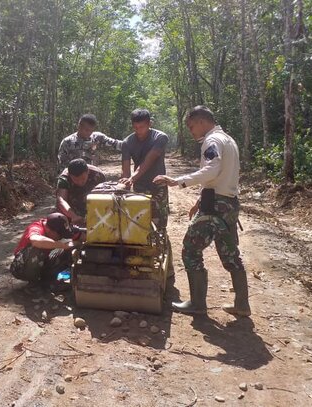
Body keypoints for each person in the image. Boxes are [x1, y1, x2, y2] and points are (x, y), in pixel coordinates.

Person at [154, 106, 251, 317]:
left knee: (190, 249)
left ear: (200, 121)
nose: (191, 132)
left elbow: (212, 170)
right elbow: (222, 174)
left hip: (215, 207)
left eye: (191, 127)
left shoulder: (212, 141)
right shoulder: (228, 139)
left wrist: (177, 181)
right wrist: (200, 198)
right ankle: (242, 304)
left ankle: (197, 304)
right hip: (227, 204)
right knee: (230, 253)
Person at [119, 108, 174, 277]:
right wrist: (125, 183)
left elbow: (149, 160)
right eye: (135, 128)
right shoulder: (127, 142)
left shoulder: (160, 138)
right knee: (139, 224)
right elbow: (126, 167)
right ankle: (140, 263)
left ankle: (168, 268)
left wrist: (132, 178)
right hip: (140, 187)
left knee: (160, 226)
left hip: (158, 186)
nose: (139, 131)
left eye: (142, 127)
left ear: (149, 124)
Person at [10, 213, 77, 286]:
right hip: (21, 267)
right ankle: (33, 284)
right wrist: (63, 245)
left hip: (43, 261)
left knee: (69, 247)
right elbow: (35, 240)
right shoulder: (35, 228)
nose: (61, 237)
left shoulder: (54, 224)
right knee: (36, 249)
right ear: (49, 230)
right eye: (59, 234)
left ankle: (47, 280)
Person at [57, 114, 123, 171]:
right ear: (79, 126)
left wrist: (131, 143)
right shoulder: (68, 142)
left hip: (92, 176)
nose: (89, 133)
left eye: (91, 130)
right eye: (86, 130)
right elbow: (62, 165)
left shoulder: (97, 138)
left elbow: (115, 144)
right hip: (74, 178)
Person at [56, 158, 105, 225]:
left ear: (88, 172)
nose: (80, 182)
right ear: (70, 175)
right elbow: (61, 200)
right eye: (75, 180)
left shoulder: (98, 175)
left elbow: (105, 196)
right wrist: (73, 216)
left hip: (93, 207)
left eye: (83, 178)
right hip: (71, 209)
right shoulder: (64, 179)